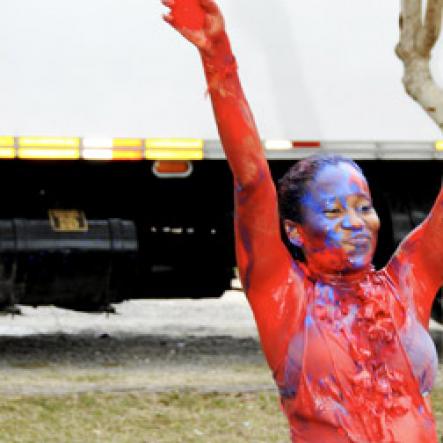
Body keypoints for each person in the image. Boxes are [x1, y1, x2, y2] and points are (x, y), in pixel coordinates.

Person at [161, 0, 443, 441]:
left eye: (363, 207)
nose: (355, 221)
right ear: (293, 230)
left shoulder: (407, 283)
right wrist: (218, 57)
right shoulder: (285, 298)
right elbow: (252, 182)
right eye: (333, 211)